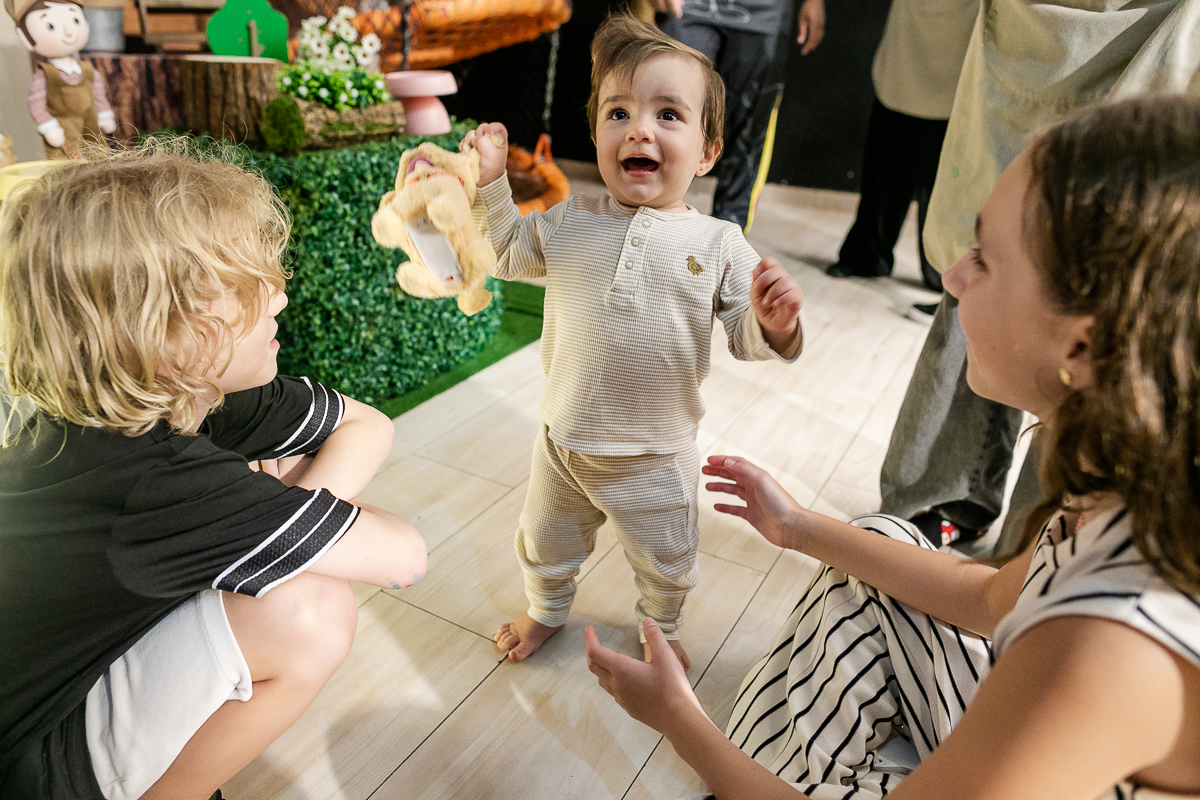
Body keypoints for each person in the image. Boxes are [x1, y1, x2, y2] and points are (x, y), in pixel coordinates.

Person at [586, 96, 1200, 799]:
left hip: (1060, 725)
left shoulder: (1106, 645)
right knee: (878, 540)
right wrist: (794, 525)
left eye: (985, 260)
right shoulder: (1124, 479)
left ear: (1081, 346)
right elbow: (990, 597)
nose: (953, 278)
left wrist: (677, 720)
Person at [0, 144, 428, 800]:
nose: (280, 298)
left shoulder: (162, 394)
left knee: (291, 562)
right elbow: (405, 556)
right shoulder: (152, 481)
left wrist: (283, 515)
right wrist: (274, 509)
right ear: (164, 337)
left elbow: (368, 424)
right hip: (31, 761)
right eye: (247, 287)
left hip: (68, 672)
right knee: (311, 609)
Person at [460, 13, 805, 670]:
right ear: (596, 135)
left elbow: (744, 332)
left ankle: (660, 627)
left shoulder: (720, 243)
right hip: (563, 441)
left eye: (668, 115)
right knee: (544, 539)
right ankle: (547, 608)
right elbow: (504, 251)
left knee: (665, 557)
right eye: (618, 113)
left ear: (707, 153)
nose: (639, 129)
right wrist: (491, 183)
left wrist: (776, 323)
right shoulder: (571, 220)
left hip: (655, 455)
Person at [880, 0, 1200, 552]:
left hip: (1163, 29)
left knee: (1098, 308)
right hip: (1022, 39)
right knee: (983, 277)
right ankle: (951, 502)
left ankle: (1045, 533)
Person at [825, 0, 977, 294]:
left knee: (943, 186)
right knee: (886, 168)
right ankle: (868, 255)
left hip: (961, 43)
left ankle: (942, 270)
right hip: (907, 47)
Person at [654, 0, 825, 231]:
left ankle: (728, 238)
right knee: (665, 114)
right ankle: (648, 226)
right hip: (688, 6)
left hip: (766, 11)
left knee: (749, 132)